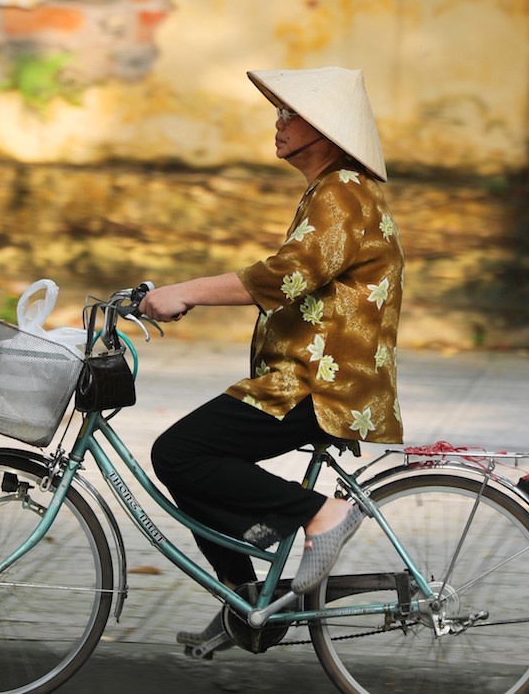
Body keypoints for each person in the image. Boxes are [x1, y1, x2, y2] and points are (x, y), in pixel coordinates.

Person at [140, 66, 405, 653]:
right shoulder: (332, 190)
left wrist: (186, 291)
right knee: (195, 463)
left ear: (328, 132)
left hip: (324, 386)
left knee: (180, 452)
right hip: (300, 378)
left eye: (290, 115)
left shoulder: (344, 193)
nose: (278, 124)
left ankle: (321, 515)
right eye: (279, 113)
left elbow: (287, 276)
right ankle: (244, 603)